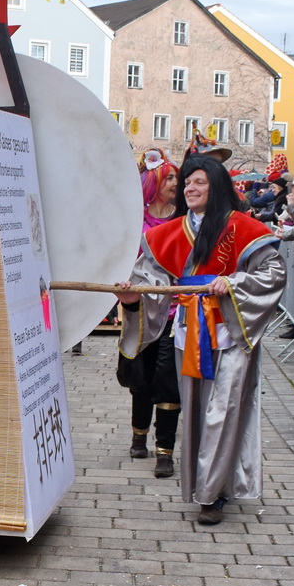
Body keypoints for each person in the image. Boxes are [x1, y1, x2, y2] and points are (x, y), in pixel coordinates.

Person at [115, 155, 285, 525]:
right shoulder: (167, 234)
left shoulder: (245, 228)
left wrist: (235, 284)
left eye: (199, 182)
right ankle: (204, 484)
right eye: (187, 182)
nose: (190, 189)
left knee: (223, 410)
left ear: (217, 186)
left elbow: (273, 273)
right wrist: (133, 298)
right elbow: (153, 284)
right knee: (194, 411)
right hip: (188, 331)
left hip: (230, 331)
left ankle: (212, 496)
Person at [117, 158, 185, 477]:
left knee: (168, 382)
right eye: (169, 177)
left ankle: (165, 452)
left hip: (175, 312)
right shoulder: (134, 221)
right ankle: (139, 435)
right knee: (141, 380)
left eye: (176, 177)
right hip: (142, 311)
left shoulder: (185, 222)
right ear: (154, 182)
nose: (175, 182)